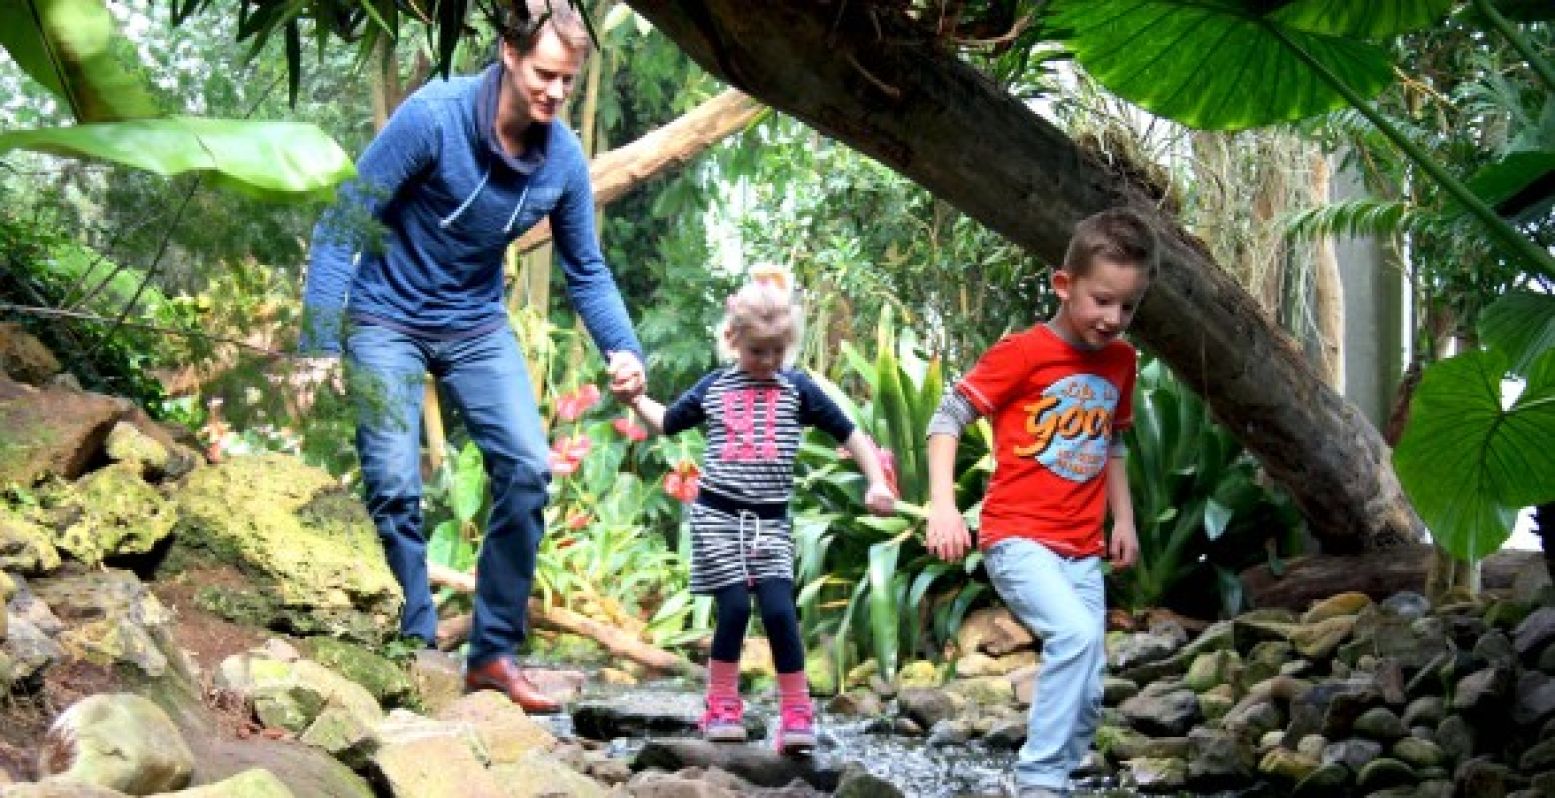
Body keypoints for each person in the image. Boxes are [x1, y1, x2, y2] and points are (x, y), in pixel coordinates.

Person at [297, 0, 644, 714]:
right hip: (382, 315)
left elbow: (585, 267)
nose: (554, 92)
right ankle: (417, 647)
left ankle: (491, 657)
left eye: (567, 82)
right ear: (510, 56)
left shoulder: (562, 162)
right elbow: (342, 223)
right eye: (545, 74)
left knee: (526, 465)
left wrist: (623, 348)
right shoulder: (434, 116)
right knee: (394, 483)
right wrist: (317, 343)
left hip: (474, 324)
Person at [923, 208, 1156, 797]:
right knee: (1076, 638)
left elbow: (1112, 441)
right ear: (1063, 284)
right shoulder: (1022, 354)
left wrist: (1123, 519)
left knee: (1089, 682)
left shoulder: (1122, 362)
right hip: (1017, 536)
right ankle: (1039, 786)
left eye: (1128, 307)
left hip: (1082, 548)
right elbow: (948, 416)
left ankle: (1061, 770)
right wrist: (944, 506)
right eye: (1102, 300)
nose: (1114, 319)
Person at [625, 274, 896, 754]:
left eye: (777, 352)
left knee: (778, 611)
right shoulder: (714, 389)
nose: (768, 362)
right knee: (732, 609)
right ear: (733, 341)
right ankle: (721, 705)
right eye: (757, 352)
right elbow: (667, 423)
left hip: (769, 521)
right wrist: (633, 399)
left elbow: (852, 434)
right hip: (718, 517)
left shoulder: (798, 390)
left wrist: (876, 478)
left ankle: (796, 712)